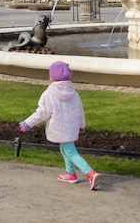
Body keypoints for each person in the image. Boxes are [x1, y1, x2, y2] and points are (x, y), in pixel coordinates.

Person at [18, 60, 100, 190]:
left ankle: (90, 172)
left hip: (58, 128)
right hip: (71, 127)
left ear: (51, 77)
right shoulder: (74, 93)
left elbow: (42, 112)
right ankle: (70, 173)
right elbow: (80, 110)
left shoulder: (49, 94)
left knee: (71, 152)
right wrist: (81, 125)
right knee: (65, 149)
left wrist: (28, 123)